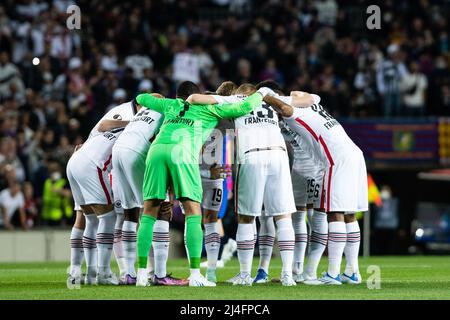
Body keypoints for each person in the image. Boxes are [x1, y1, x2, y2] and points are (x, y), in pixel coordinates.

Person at [134, 81, 268, 287]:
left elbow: (141, 98)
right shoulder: (210, 108)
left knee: (149, 211)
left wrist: (156, 96)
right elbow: (243, 107)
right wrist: (262, 93)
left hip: (157, 150)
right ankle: (196, 275)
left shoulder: (170, 105)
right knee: (193, 211)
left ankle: (142, 274)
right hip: (182, 151)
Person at [188, 80, 313, 286]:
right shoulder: (269, 100)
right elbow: (311, 99)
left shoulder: (236, 100)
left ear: (239, 93)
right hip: (279, 155)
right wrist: (272, 95)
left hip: (252, 155)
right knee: (283, 217)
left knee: (247, 218)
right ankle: (287, 275)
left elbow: (196, 98)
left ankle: (245, 275)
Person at [264, 92, 368, 285]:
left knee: (334, 213)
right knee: (349, 214)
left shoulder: (296, 112)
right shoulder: (314, 107)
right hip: (354, 154)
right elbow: (312, 97)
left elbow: (287, 108)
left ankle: (332, 274)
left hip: (335, 159)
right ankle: (352, 271)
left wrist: (265, 96)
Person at [111, 93, 188, 286]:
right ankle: (160, 275)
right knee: (160, 208)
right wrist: (169, 192)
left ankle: (129, 273)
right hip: (137, 152)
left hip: (118, 151)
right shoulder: (170, 110)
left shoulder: (144, 111)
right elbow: (163, 145)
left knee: (130, 213)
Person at [67, 99, 139, 286]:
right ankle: (104, 273)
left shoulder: (118, 125)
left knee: (88, 219)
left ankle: (85, 272)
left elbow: (104, 125)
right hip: (92, 164)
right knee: (108, 219)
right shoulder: (136, 132)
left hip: (75, 159)